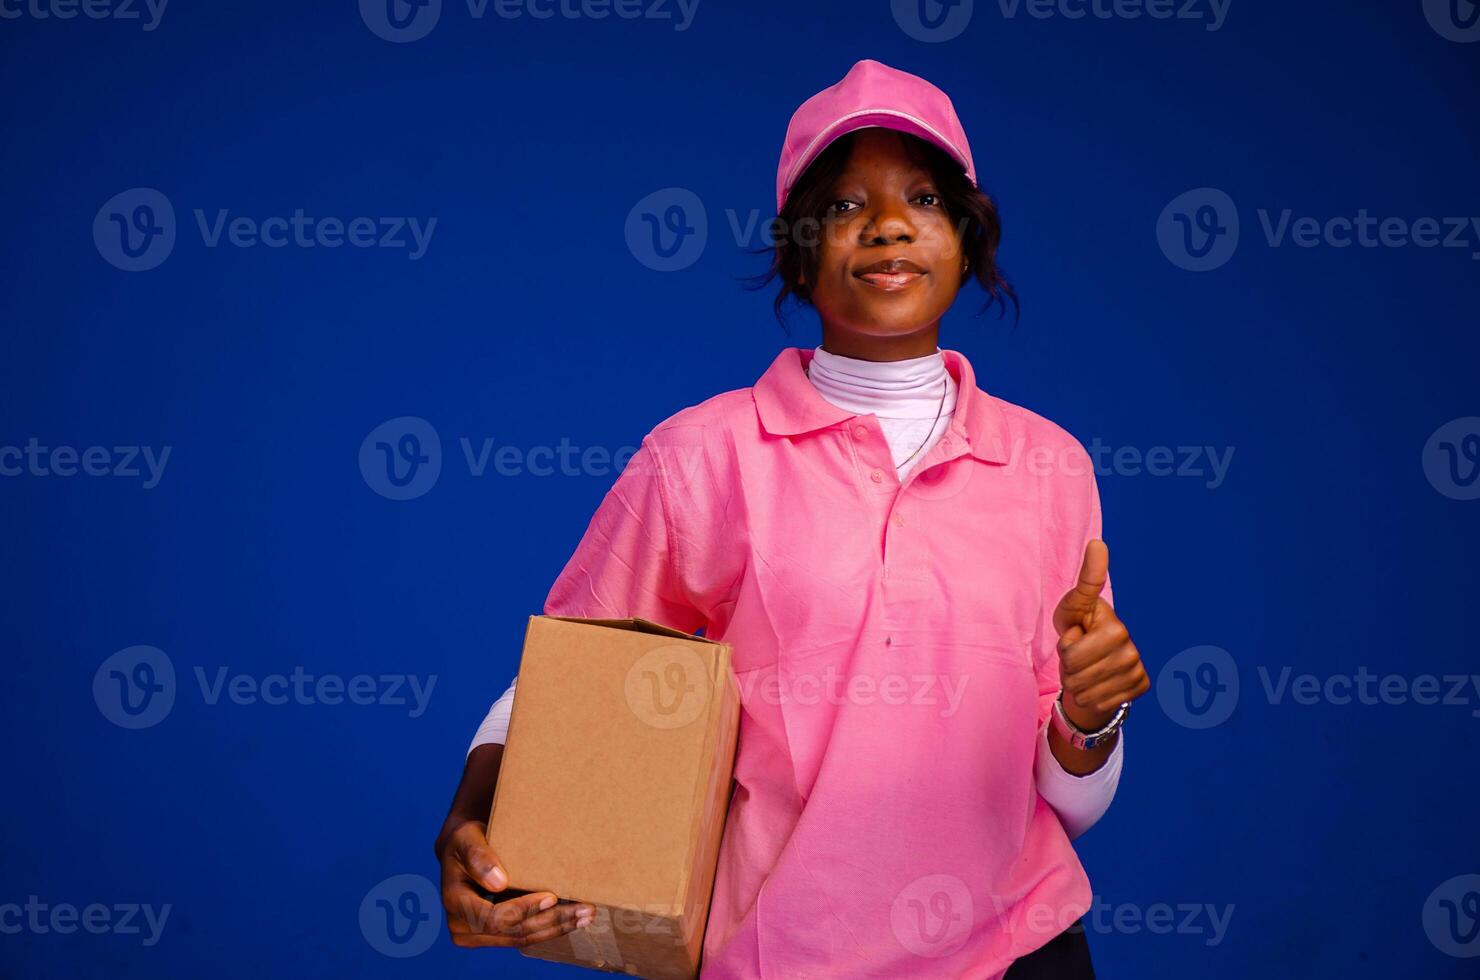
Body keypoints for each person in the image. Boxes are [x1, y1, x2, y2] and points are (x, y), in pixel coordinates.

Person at [433, 58, 1150, 978]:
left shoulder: (1049, 465)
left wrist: (1093, 718)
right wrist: (473, 816)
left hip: (1018, 952)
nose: (890, 222)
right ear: (799, 251)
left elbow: (1070, 805)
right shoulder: (703, 455)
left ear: (967, 241)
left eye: (925, 199)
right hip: (785, 957)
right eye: (847, 205)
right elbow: (571, 679)